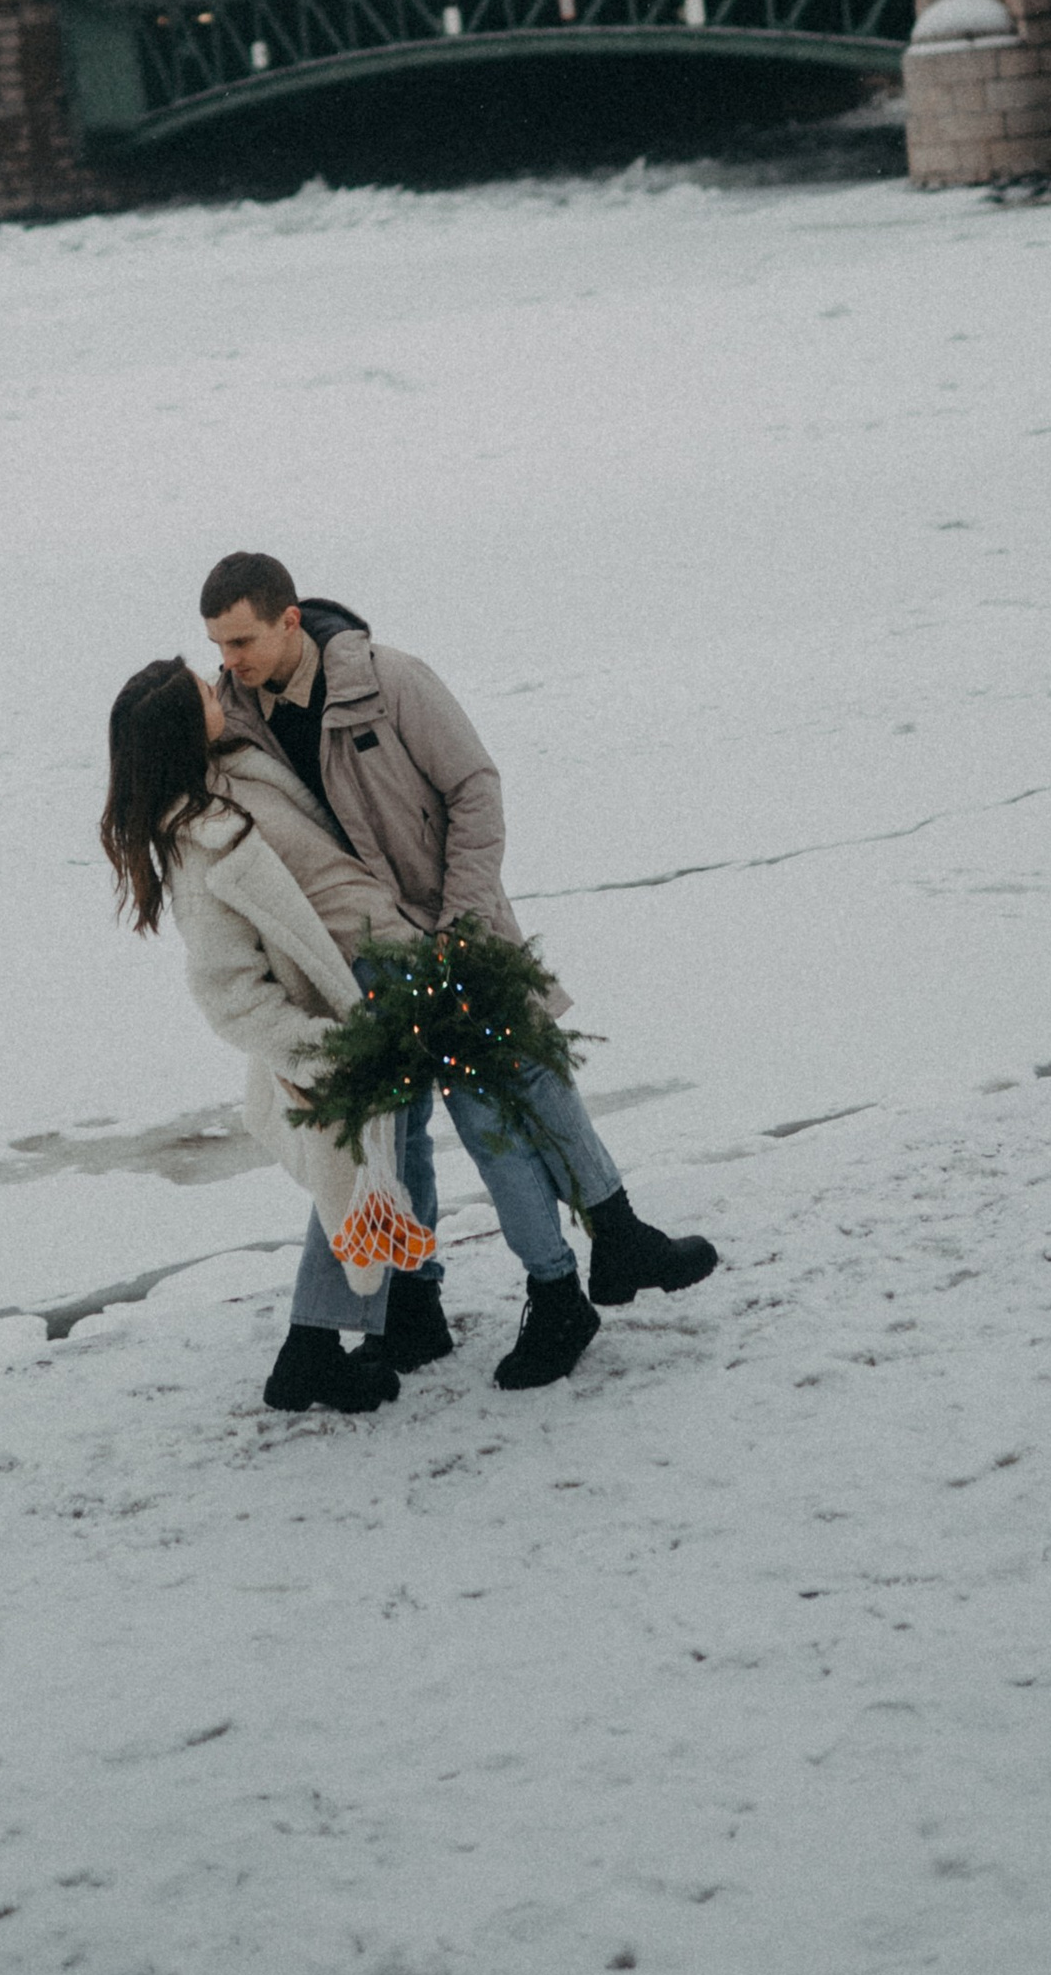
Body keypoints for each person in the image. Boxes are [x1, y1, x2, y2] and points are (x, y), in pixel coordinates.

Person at [201, 548, 719, 1390]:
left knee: (496, 1111)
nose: (231, 662)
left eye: (243, 641)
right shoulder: (239, 719)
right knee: (399, 1133)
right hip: (369, 961)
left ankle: (571, 1279)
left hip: (453, 932)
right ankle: (449, 1299)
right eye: (219, 647)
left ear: (289, 619)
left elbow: (475, 789)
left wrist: (465, 925)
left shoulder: (392, 679)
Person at [100, 656, 419, 1418]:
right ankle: (307, 1355)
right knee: (350, 1178)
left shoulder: (237, 768)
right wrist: (325, 1049)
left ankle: (396, 1318)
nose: (220, 692)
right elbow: (228, 994)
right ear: (186, 727)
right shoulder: (197, 847)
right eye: (205, 695)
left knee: (379, 1163)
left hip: (352, 991)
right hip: (319, 1030)